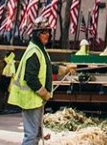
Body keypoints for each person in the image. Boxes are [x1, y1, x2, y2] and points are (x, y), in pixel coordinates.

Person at [8, 16, 76, 145]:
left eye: (49, 32)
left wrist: (65, 69)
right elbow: (31, 78)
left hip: (35, 100)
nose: (48, 35)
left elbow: (48, 68)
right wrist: (44, 92)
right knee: (31, 135)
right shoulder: (34, 52)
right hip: (30, 99)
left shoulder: (40, 50)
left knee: (36, 134)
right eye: (44, 32)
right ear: (37, 34)